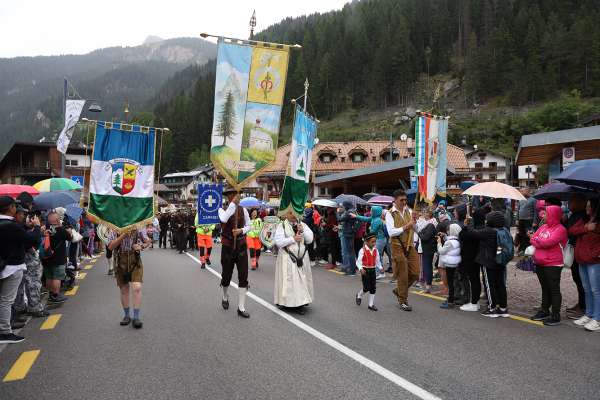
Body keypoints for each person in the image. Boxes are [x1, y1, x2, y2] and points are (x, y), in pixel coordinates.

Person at [0, 196, 42, 344]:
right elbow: (31, 240)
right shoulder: (11, 225)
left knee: (4, 300)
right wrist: (36, 227)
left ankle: (6, 327)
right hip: (12, 267)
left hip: (4, 265)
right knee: (6, 300)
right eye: (15, 207)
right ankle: (5, 332)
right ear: (10, 208)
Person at [465, 210, 510, 318]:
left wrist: (469, 223)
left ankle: (492, 308)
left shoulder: (489, 231)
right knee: (501, 284)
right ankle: (503, 308)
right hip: (501, 261)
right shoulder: (504, 230)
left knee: (490, 286)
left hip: (489, 261)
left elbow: (472, 233)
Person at [530, 205, 568, 325]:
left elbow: (548, 242)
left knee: (554, 289)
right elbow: (533, 238)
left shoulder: (561, 229)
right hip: (540, 262)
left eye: (546, 213)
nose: (543, 215)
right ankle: (544, 310)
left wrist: (536, 241)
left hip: (553, 263)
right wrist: (536, 241)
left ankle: (555, 314)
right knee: (545, 288)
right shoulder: (543, 227)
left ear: (553, 215)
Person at [107, 228, 151, 329]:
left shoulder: (138, 226)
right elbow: (110, 246)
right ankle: (127, 316)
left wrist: (141, 246)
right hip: (120, 260)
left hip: (134, 259)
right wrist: (123, 235)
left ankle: (136, 317)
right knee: (124, 289)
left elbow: (147, 241)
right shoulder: (114, 227)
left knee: (137, 287)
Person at [273, 209, 315, 314]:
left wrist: (303, 231)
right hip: (288, 258)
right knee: (290, 281)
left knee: (301, 280)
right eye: (290, 213)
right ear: (286, 214)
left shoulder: (303, 225)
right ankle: (288, 302)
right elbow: (278, 242)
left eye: (295, 213)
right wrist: (293, 239)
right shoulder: (281, 226)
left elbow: (310, 239)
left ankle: (301, 302)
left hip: (302, 258)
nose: (293, 215)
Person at [219, 187, 251, 318]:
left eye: (238, 195)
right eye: (234, 195)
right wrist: (233, 204)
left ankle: (241, 307)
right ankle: (225, 296)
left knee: (243, 277)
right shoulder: (221, 210)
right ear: (229, 197)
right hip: (227, 248)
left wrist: (241, 231)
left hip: (241, 247)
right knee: (226, 276)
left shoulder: (243, 210)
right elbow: (224, 219)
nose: (237, 197)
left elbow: (249, 226)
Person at [568, 199, 600, 332]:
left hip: (594, 260)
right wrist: (586, 228)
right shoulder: (585, 219)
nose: (586, 208)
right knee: (587, 288)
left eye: (588, 206)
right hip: (582, 259)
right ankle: (589, 314)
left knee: (596, 290)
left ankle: (597, 319)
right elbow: (572, 230)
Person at [386, 189, 419, 311]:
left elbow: (416, 228)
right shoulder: (390, 213)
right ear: (395, 200)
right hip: (397, 246)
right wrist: (406, 226)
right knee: (403, 275)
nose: (404, 202)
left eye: (405, 199)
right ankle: (403, 300)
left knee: (415, 273)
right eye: (402, 200)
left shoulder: (409, 211)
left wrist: (415, 221)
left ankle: (399, 290)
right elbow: (391, 232)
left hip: (409, 246)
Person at [13, 204, 48, 319]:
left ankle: (21, 309)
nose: (25, 216)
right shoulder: (15, 226)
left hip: (18, 261)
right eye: (24, 214)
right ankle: (34, 308)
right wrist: (37, 228)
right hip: (24, 259)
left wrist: (34, 229)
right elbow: (32, 241)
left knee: (21, 286)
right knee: (32, 283)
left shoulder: (18, 226)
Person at [455, 204, 482, 312]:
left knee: (473, 279)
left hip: (470, 258)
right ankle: (476, 301)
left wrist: (466, 226)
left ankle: (474, 303)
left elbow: (462, 235)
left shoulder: (471, 232)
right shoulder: (477, 230)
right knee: (475, 280)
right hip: (475, 257)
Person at [42, 211, 73, 305]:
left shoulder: (45, 229)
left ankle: (50, 294)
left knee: (49, 276)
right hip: (58, 258)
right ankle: (55, 295)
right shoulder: (60, 230)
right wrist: (67, 230)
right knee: (57, 277)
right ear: (57, 219)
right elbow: (70, 237)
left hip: (46, 257)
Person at [565, 194, 588, 319]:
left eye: (572, 201)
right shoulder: (575, 215)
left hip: (579, 250)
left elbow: (572, 231)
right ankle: (581, 303)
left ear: (581, 202)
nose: (569, 203)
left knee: (582, 280)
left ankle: (583, 306)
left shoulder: (582, 215)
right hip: (575, 250)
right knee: (577, 278)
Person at [438, 223, 462, 309]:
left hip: (449, 264)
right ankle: (453, 299)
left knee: (450, 283)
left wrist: (439, 243)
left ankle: (450, 301)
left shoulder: (449, 243)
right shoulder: (457, 241)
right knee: (454, 282)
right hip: (456, 263)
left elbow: (441, 251)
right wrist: (445, 236)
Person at [355, 232, 381, 311]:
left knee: (373, 287)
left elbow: (377, 260)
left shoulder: (376, 250)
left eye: (375, 241)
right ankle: (359, 295)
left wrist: (380, 267)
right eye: (372, 242)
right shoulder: (362, 250)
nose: (374, 243)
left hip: (372, 270)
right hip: (365, 270)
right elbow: (358, 261)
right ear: (366, 242)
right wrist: (361, 268)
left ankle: (371, 304)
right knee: (366, 288)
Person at [415, 209, 437, 293]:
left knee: (427, 266)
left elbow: (425, 237)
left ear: (429, 214)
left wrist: (419, 233)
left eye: (425, 212)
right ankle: (428, 283)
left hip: (428, 248)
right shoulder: (429, 223)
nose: (423, 214)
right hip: (428, 248)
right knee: (427, 266)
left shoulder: (431, 224)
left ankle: (428, 284)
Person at [337, 201, 358, 275]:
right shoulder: (354, 211)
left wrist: (338, 212)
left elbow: (339, 219)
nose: (343, 207)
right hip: (351, 232)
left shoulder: (348, 212)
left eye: (343, 206)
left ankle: (351, 270)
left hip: (347, 233)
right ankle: (352, 268)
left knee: (349, 252)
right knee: (351, 252)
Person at [516, 189, 537, 253]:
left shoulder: (533, 200)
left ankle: (527, 248)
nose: (521, 192)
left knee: (528, 235)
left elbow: (535, 211)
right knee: (521, 234)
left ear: (528, 191)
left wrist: (535, 221)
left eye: (523, 191)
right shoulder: (520, 200)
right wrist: (517, 219)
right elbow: (518, 210)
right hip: (521, 220)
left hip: (529, 220)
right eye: (521, 191)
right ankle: (522, 248)